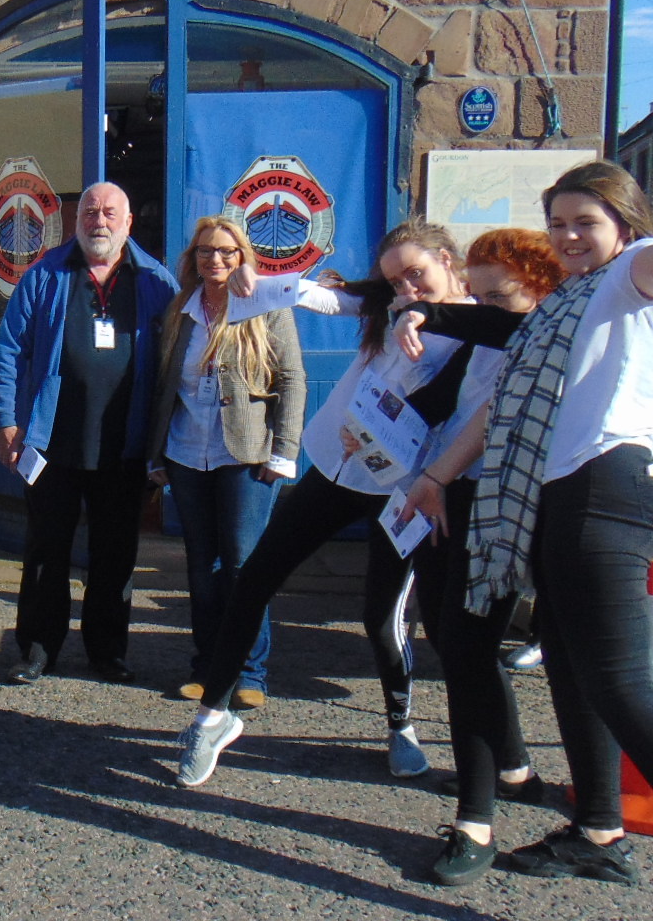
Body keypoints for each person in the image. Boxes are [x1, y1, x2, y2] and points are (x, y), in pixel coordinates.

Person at [406, 162, 653, 919]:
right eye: (557, 223)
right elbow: (503, 407)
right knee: (574, 669)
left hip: (609, 489)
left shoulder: (634, 272)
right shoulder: (572, 307)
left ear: (623, 224)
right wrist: (436, 475)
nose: (568, 237)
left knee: (621, 685)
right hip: (569, 495)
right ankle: (597, 832)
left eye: (584, 222)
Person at [173, 218, 475, 786]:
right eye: (394, 280)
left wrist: (381, 416)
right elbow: (319, 297)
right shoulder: (388, 305)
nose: (406, 288)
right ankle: (213, 714)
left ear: (448, 262)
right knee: (254, 576)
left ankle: (400, 725)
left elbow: (440, 401)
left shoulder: (472, 329)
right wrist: (254, 278)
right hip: (336, 469)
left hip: (400, 484)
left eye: (418, 274)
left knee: (382, 616)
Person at [386, 229, 564, 885]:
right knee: (451, 636)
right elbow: (446, 397)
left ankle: (475, 820)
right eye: (482, 294)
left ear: (541, 292)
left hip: (497, 499)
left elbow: (488, 416)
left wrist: (433, 474)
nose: (491, 309)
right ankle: (514, 767)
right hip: (447, 495)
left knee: (465, 651)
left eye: (504, 296)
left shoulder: (540, 333)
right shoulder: (485, 330)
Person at [0, 182, 178, 685]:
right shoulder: (45, 274)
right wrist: (6, 422)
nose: (100, 220)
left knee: (115, 557)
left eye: (110, 212)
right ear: (76, 220)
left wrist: (167, 443)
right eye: (91, 211)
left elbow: (180, 363)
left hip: (125, 446)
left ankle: (107, 652)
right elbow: (9, 351)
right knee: (46, 552)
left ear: (129, 221)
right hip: (52, 443)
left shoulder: (156, 282)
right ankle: (36, 649)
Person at [144, 216, 305, 706]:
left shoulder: (266, 305)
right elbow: (164, 387)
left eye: (226, 251)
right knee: (201, 566)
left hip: (247, 454)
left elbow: (293, 380)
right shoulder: (181, 311)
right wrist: (155, 456)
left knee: (242, 564)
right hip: (188, 454)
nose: (215, 259)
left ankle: (251, 672)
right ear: (192, 260)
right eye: (205, 251)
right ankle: (208, 666)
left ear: (243, 257)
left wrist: (284, 452)